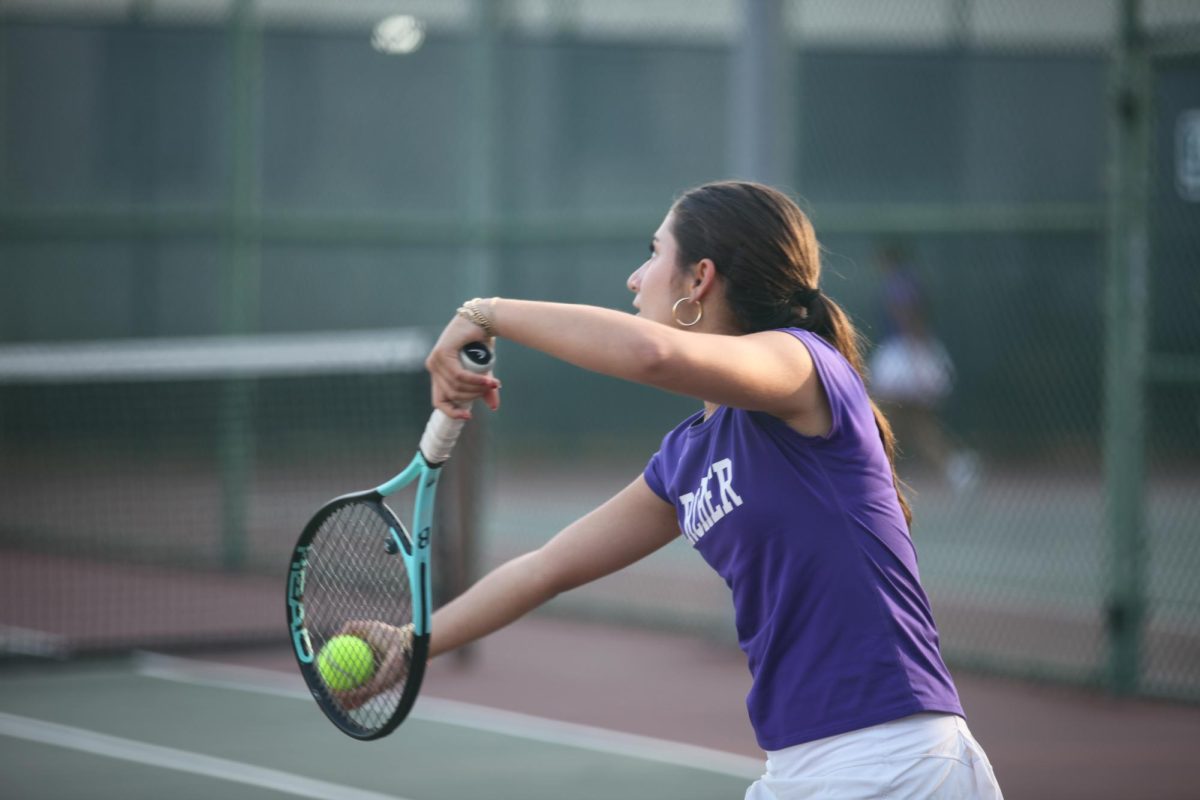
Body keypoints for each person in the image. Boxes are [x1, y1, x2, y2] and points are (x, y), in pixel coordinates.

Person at [348, 182, 1003, 798]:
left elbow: (651, 355)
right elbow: (545, 569)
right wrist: (413, 643)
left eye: (653, 253)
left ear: (700, 278)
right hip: (803, 765)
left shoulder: (803, 365)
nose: (635, 278)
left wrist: (485, 313)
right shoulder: (689, 458)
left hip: (897, 761)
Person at [868, 243, 979, 492]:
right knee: (913, 422)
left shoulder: (900, 282)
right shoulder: (906, 279)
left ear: (886, 259)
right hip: (906, 350)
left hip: (904, 353)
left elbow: (908, 316)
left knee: (884, 411)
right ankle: (956, 466)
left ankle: (875, 469)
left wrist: (916, 356)